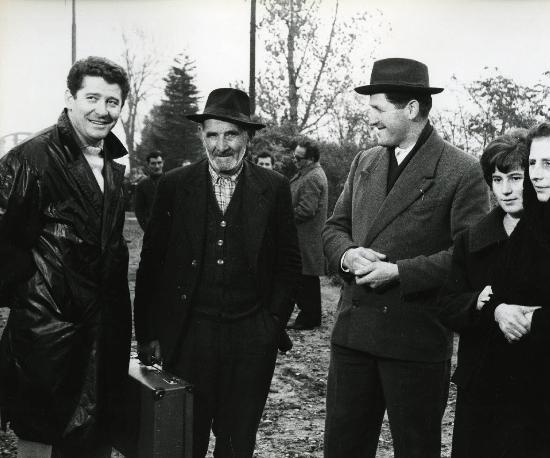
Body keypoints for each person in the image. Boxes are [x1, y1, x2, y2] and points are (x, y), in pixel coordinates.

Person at [321, 57, 489, 457]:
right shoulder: (365, 161)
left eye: (379, 110)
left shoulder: (462, 170)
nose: (371, 120)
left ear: (411, 109)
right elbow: (332, 229)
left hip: (414, 342)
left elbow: (469, 259)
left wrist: (398, 272)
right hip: (353, 337)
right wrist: (348, 256)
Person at [134, 87, 301, 458]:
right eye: (212, 134)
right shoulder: (175, 185)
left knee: (237, 442)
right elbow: (151, 264)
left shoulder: (273, 188)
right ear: (201, 136)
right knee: (185, 439)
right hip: (189, 338)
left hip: (250, 341)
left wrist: (270, 324)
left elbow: (289, 264)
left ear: (248, 137)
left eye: (230, 135)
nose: (221, 145)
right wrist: (147, 334)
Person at [0, 56, 132, 458]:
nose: (102, 110)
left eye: (112, 102)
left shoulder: (111, 164)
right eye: (91, 97)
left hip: (103, 337)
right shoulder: (29, 160)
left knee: (92, 441)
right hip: (47, 344)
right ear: (69, 99)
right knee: (41, 441)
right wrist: (38, 304)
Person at [474, 118, 550, 458]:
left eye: (549, 163)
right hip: (521, 397)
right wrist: (501, 310)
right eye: (532, 163)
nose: (536, 174)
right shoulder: (532, 227)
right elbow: (496, 290)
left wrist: (537, 322)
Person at [437, 130, 529, 457]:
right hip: (482, 382)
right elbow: (447, 304)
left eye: (515, 177)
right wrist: (484, 307)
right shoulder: (471, 239)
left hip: (537, 384)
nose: (505, 189)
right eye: (497, 178)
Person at [287, 138, 328, 330]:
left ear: (310, 159)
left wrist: (284, 218)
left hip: (306, 237)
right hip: (304, 237)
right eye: (294, 156)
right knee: (305, 277)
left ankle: (310, 318)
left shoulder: (312, 177)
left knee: (306, 278)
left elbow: (306, 210)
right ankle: (309, 316)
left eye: (299, 158)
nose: (294, 160)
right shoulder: (308, 173)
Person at [135, 152, 164, 231]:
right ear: (148, 165)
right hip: (151, 227)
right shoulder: (142, 185)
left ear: (163, 163)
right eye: (153, 163)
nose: (157, 166)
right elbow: (139, 210)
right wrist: (146, 228)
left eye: (159, 163)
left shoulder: (170, 181)